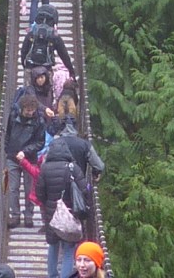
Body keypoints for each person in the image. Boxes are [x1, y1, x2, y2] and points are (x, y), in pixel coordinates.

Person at [39, 116, 104, 278]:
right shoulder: (74, 165)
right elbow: (84, 189)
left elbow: (40, 192)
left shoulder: (45, 168)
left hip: (51, 212)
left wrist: (48, 203)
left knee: (53, 245)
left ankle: (52, 275)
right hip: (71, 211)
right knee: (69, 248)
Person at [4, 93, 46, 227]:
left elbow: (40, 142)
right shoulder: (13, 116)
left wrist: (25, 151)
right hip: (12, 157)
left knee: (29, 189)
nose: (30, 113)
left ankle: (29, 216)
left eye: (32, 110)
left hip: (30, 159)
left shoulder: (39, 121)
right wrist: (7, 150)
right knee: (13, 188)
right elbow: (7, 134)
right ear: (22, 108)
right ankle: (15, 215)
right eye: (28, 110)